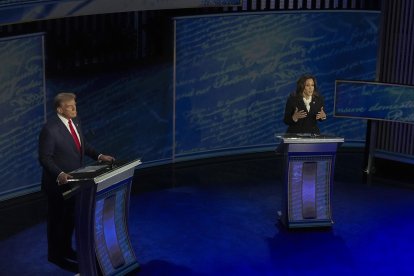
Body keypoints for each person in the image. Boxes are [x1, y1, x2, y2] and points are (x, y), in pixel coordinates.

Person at [38, 92, 114, 273]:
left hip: (76, 182)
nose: (75, 109)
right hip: (57, 185)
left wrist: (99, 156)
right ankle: (55, 255)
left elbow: (83, 145)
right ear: (59, 109)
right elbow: (45, 158)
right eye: (70, 107)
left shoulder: (76, 121)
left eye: (75, 105)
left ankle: (65, 248)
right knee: (57, 220)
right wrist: (60, 174)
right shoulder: (50, 129)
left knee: (70, 219)